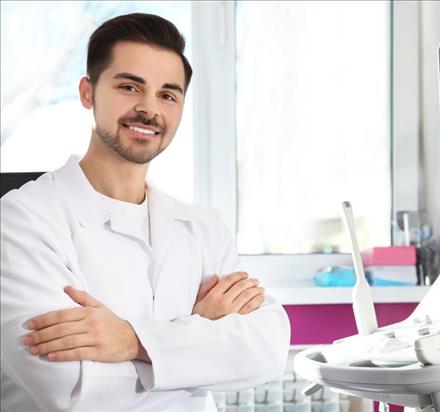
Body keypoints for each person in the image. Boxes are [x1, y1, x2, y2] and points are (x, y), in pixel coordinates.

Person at [0, 13, 290, 411]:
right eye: (129, 86)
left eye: (168, 94)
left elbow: (267, 350)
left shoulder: (203, 228)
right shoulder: (21, 219)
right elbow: (67, 390)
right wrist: (199, 340)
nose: (148, 108)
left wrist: (129, 341)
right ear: (88, 93)